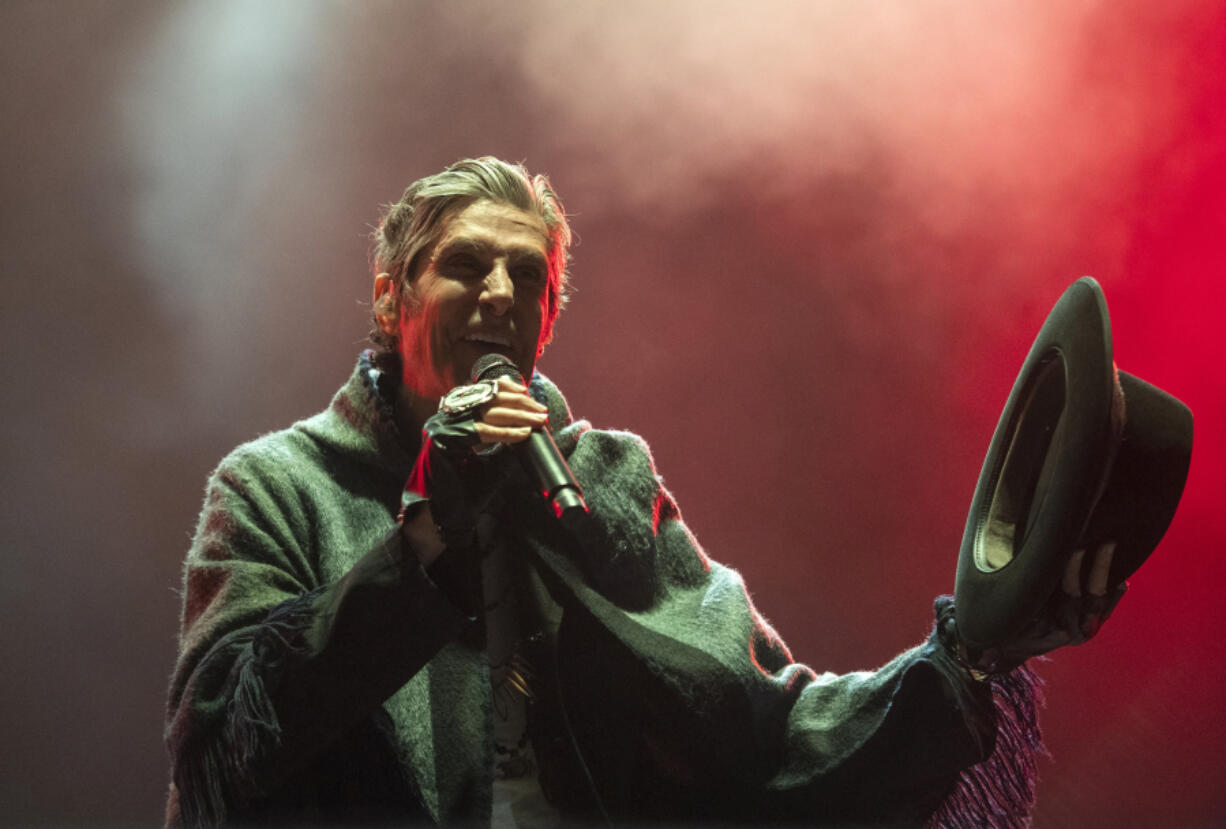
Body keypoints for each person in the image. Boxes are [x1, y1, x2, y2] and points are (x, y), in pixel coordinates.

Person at [164, 157, 1121, 827]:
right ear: (389, 298)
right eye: (465, 264)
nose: (500, 291)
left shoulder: (608, 485)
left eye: (527, 275)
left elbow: (770, 730)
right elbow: (226, 744)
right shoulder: (280, 485)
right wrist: (423, 544)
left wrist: (968, 661)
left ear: (546, 320)